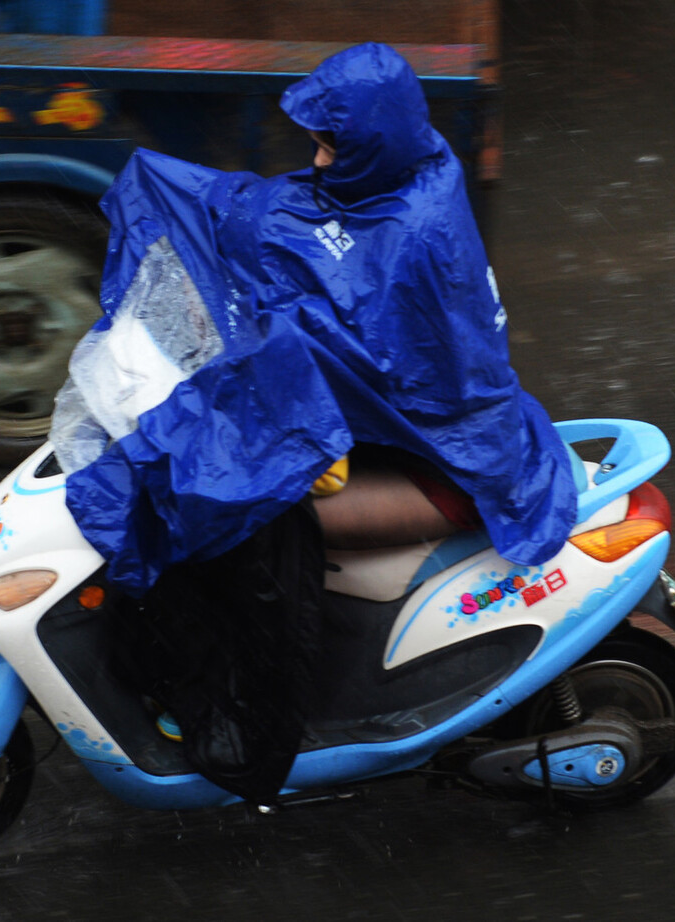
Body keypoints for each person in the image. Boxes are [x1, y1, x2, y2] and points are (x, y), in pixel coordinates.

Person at [52, 42, 577, 805]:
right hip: (392, 436)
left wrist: (260, 351)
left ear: (373, 141)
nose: (320, 162)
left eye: (333, 145)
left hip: (448, 464)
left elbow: (359, 348)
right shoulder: (398, 172)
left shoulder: (417, 236)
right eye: (318, 144)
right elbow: (274, 230)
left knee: (246, 515)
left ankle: (262, 708)